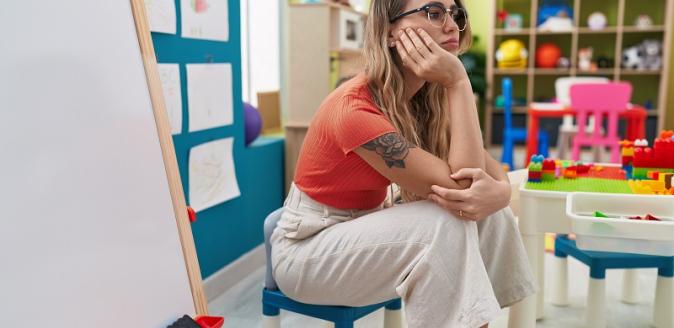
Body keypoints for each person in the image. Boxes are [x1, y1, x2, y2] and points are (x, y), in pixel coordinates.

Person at [271, 1, 536, 327]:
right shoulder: (353, 110)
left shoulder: (422, 98)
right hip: (306, 253)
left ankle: (500, 317)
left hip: (362, 228)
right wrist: (458, 82)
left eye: (456, 14)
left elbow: (489, 172)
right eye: (434, 13)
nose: (452, 25)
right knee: (446, 221)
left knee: (489, 215)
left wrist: (499, 196)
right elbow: (465, 190)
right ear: (391, 31)